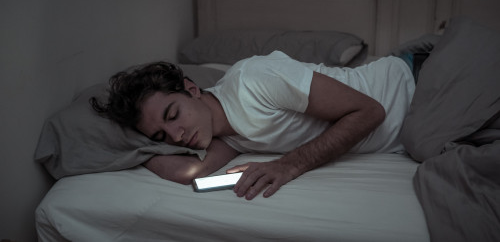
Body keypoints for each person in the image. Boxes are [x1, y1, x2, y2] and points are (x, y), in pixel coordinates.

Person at [92, 51, 415, 200]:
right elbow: (187, 174)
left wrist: (289, 165)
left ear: (191, 89)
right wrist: (131, 146)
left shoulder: (253, 80)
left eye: (173, 114)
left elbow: (370, 111)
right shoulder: (224, 138)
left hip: (414, 87)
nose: (177, 137)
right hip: (411, 132)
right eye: (162, 136)